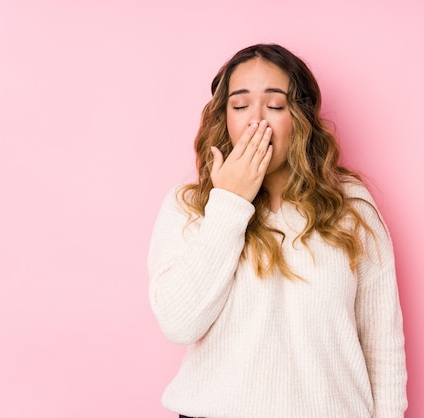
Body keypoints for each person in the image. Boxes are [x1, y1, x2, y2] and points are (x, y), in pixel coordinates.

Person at [148, 43, 407, 418]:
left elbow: (382, 342)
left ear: (300, 118)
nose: (257, 122)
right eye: (240, 106)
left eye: (274, 106)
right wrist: (229, 203)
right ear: (224, 119)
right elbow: (179, 322)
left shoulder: (350, 205)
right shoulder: (189, 207)